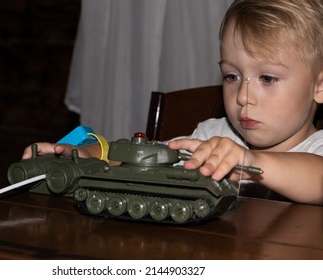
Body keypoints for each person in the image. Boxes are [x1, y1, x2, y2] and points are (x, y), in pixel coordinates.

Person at [23, 0, 323, 205]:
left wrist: (252, 162)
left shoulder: (317, 149)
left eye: (267, 79)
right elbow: (146, 159)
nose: (243, 96)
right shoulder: (212, 136)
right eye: (232, 76)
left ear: (319, 86)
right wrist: (86, 154)